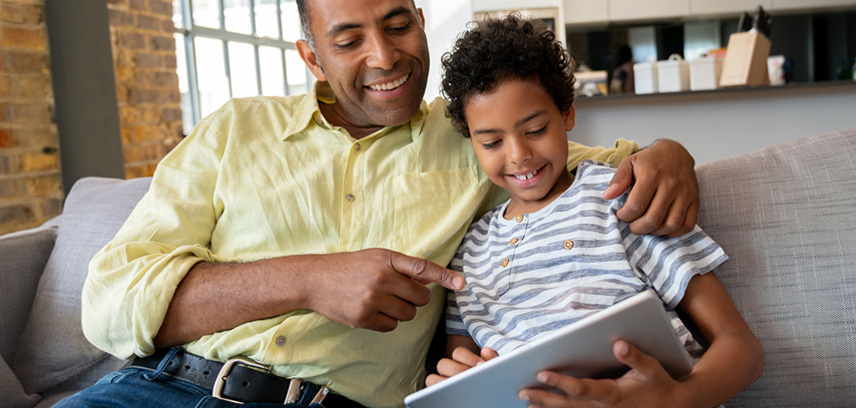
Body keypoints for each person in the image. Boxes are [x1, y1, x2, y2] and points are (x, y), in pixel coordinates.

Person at [59, 1, 700, 407]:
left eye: (398, 26)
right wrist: (309, 280)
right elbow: (109, 303)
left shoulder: (476, 137)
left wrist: (672, 153)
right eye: (348, 41)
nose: (385, 56)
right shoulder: (234, 131)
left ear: (421, 20)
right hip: (157, 388)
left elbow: (609, 163)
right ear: (312, 57)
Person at [427, 14, 763, 408]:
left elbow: (741, 348)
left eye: (535, 130)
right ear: (471, 143)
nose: (518, 155)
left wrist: (678, 397)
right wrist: (460, 384)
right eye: (491, 142)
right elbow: (461, 376)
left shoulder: (622, 199)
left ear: (567, 114)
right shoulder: (470, 253)